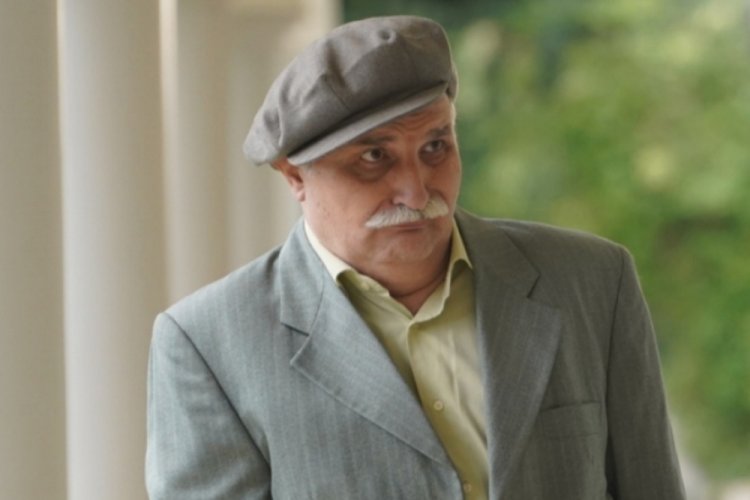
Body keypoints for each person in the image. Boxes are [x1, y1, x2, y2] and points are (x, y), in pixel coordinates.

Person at [146, 15, 686, 500]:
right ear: (294, 176)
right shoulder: (208, 346)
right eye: (373, 157)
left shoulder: (593, 282)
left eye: (435, 146)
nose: (416, 189)